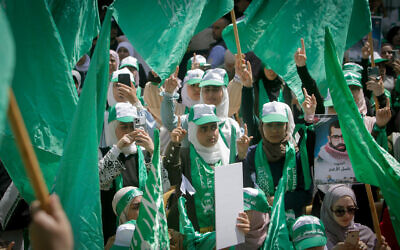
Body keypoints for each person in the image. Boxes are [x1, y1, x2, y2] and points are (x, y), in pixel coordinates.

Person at [164, 104, 251, 234]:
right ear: (193, 130)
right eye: (203, 129)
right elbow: (172, 177)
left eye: (213, 127)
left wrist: (242, 157)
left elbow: (237, 190)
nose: (210, 133)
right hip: (190, 232)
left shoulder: (226, 156)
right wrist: (175, 145)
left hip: (221, 234)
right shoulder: (185, 155)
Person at [242, 100, 315, 216]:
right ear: (262, 126)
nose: (274, 130)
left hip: (292, 225)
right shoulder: (251, 154)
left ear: (286, 126)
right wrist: (241, 157)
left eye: (279, 124)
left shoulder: (296, 155)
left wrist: (279, 200)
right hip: (261, 226)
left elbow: (307, 195)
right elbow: (244, 189)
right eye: (269, 125)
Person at [99, 102, 154, 240]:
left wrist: (153, 152)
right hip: (112, 228)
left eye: (132, 126)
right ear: (112, 128)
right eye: (124, 127)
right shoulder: (104, 154)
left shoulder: (143, 153)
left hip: (142, 226)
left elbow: (161, 184)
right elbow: (100, 180)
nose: (130, 131)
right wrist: (117, 148)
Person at [161, 65, 245, 150]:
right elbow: (170, 123)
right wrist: (168, 94)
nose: (210, 95)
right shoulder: (191, 120)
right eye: (207, 89)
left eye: (215, 89)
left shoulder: (232, 126)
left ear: (224, 93)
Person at [321, 184, 390, 250]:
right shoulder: (319, 238)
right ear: (328, 210)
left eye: (351, 209)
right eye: (339, 211)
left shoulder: (365, 233)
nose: (346, 215)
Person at [315, 120, 353, 185]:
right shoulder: (321, 159)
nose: (340, 141)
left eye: (343, 136)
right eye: (336, 137)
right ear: (329, 139)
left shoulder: (355, 155)